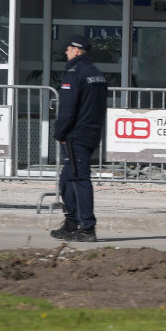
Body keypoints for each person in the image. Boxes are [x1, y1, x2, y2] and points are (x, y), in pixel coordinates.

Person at [51, 35, 108, 242]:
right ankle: (71, 222)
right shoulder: (96, 73)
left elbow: (67, 109)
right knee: (67, 179)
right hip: (91, 133)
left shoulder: (74, 73)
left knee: (80, 180)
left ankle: (87, 228)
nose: (65, 52)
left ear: (75, 50)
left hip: (76, 136)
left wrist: (60, 133)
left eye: (67, 49)